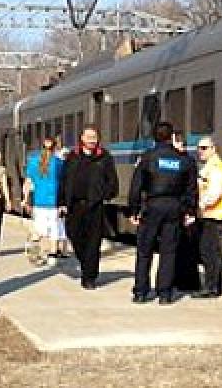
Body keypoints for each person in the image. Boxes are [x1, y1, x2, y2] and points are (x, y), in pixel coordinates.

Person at [127, 121, 197, 305]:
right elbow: (191, 189)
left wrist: (133, 210)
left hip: (152, 206)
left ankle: (141, 292)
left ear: (154, 137)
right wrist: (190, 210)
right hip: (174, 207)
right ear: (171, 137)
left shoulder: (147, 158)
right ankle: (164, 293)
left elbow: (136, 187)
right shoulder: (184, 160)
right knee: (169, 251)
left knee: (144, 250)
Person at [58, 126, 118, 289]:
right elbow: (63, 181)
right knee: (74, 236)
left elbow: (112, 181)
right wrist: (61, 202)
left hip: (94, 206)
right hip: (74, 206)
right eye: (89, 137)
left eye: (95, 137)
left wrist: (103, 194)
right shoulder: (72, 157)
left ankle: (89, 277)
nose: (92, 140)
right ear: (82, 138)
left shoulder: (104, 157)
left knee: (93, 242)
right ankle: (86, 263)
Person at [195, 136, 222, 298]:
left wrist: (201, 205)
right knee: (211, 252)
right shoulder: (209, 166)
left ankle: (211, 287)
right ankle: (214, 286)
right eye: (199, 148)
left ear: (214, 149)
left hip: (214, 215)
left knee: (209, 252)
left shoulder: (216, 167)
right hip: (211, 215)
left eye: (204, 148)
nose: (201, 151)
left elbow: (215, 192)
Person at [23, 137, 66, 266]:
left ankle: (33, 250)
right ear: (54, 148)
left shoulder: (33, 162)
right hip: (53, 202)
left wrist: (25, 200)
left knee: (38, 230)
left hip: (38, 202)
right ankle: (52, 257)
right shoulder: (59, 163)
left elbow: (28, 183)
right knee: (54, 229)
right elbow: (63, 184)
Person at [171, 130, 203, 293]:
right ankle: (188, 282)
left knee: (182, 248)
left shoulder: (182, 162)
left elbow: (190, 189)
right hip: (185, 209)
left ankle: (182, 281)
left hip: (182, 210)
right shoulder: (189, 161)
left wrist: (188, 211)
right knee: (186, 248)